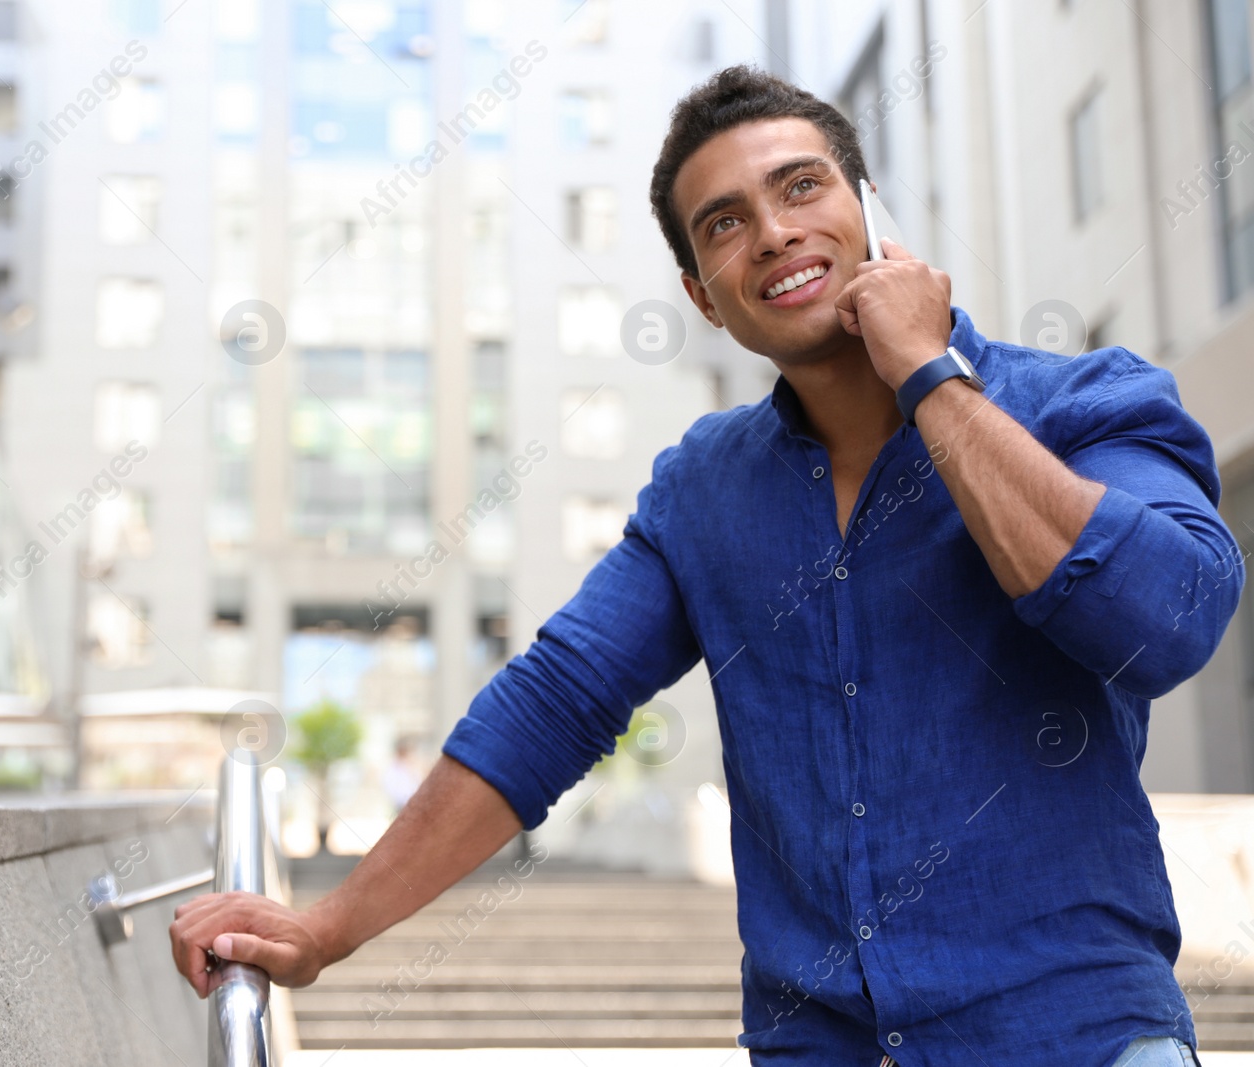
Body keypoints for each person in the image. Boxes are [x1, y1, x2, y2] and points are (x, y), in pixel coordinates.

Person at [169, 66, 1244, 1066]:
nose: (774, 234)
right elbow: (553, 703)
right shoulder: (702, 490)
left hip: (1078, 1036)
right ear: (702, 296)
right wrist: (325, 924)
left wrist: (926, 371)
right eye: (725, 224)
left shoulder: (1083, 404)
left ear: (869, 210)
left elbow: (1163, 621)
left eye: (801, 187)